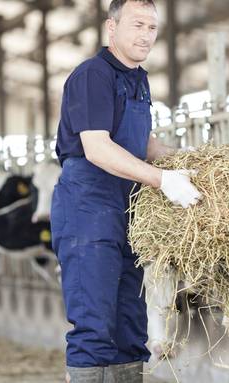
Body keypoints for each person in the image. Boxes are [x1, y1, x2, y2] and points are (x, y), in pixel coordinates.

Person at [50, 0, 202, 381]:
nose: (146, 35)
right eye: (137, 24)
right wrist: (161, 180)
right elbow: (98, 147)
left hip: (128, 206)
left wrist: (187, 162)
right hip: (89, 203)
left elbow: (140, 141)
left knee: (129, 324)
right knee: (95, 323)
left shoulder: (138, 78)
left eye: (152, 27)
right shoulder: (93, 75)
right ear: (111, 28)